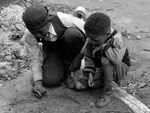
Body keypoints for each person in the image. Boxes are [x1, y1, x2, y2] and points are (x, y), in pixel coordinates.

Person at [22, 5, 86, 99]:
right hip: (54, 48)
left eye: (40, 31)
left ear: (48, 22)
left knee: (73, 34)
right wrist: (38, 83)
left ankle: (70, 69)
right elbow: (35, 58)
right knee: (50, 81)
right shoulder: (29, 35)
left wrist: (79, 56)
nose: (38, 35)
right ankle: (63, 68)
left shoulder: (63, 19)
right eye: (34, 32)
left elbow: (90, 33)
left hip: (70, 45)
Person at [72, 12, 130, 107]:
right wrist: (90, 71)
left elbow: (116, 60)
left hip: (118, 68)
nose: (92, 41)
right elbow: (88, 55)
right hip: (100, 67)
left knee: (105, 60)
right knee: (78, 86)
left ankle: (108, 92)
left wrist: (105, 47)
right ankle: (101, 79)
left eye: (95, 40)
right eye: (90, 38)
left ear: (107, 33)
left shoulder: (117, 39)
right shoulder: (93, 37)